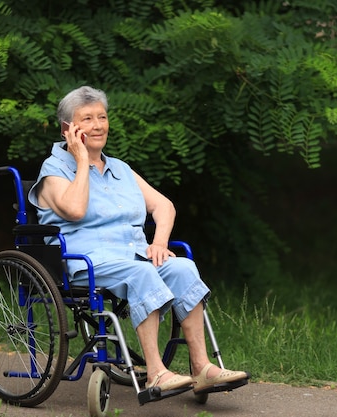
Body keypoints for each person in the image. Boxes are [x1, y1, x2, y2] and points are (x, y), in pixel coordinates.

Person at [28, 86, 248, 394]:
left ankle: (202, 369)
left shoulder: (119, 168)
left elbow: (164, 206)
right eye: (87, 118)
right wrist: (81, 162)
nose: (97, 125)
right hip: (87, 262)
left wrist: (158, 243)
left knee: (182, 267)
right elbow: (75, 210)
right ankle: (156, 372)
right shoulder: (53, 171)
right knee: (142, 272)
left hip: (133, 256)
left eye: (102, 117)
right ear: (68, 129)